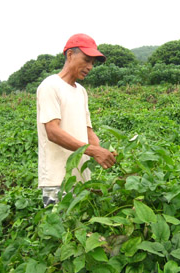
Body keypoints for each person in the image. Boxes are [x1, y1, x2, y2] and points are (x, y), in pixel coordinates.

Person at [37, 33, 116, 207]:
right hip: (58, 179)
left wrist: (103, 150)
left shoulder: (80, 91)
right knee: (58, 229)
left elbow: (88, 131)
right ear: (70, 55)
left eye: (92, 63)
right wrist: (93, 152)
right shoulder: (50, 86)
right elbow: (53, 132)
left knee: (80, 229)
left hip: (81, 178)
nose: (89, 67)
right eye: (86, 60)